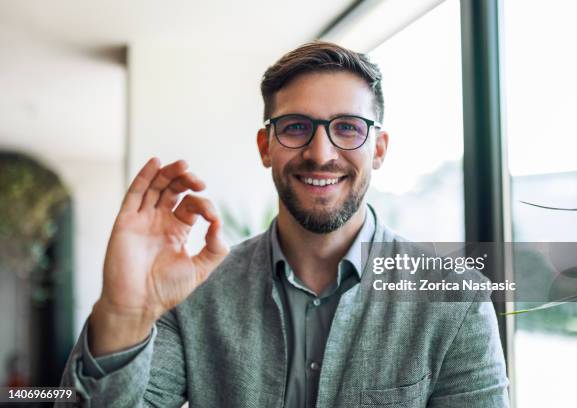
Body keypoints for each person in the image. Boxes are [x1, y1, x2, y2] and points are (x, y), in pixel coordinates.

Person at [58, 41, 509, 407]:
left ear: (379, 149)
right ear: (265, 146)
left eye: (348, 128)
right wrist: (122, 314)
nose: (320, 153)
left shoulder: (457, 299)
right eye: (296, 127)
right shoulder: (195, 293)